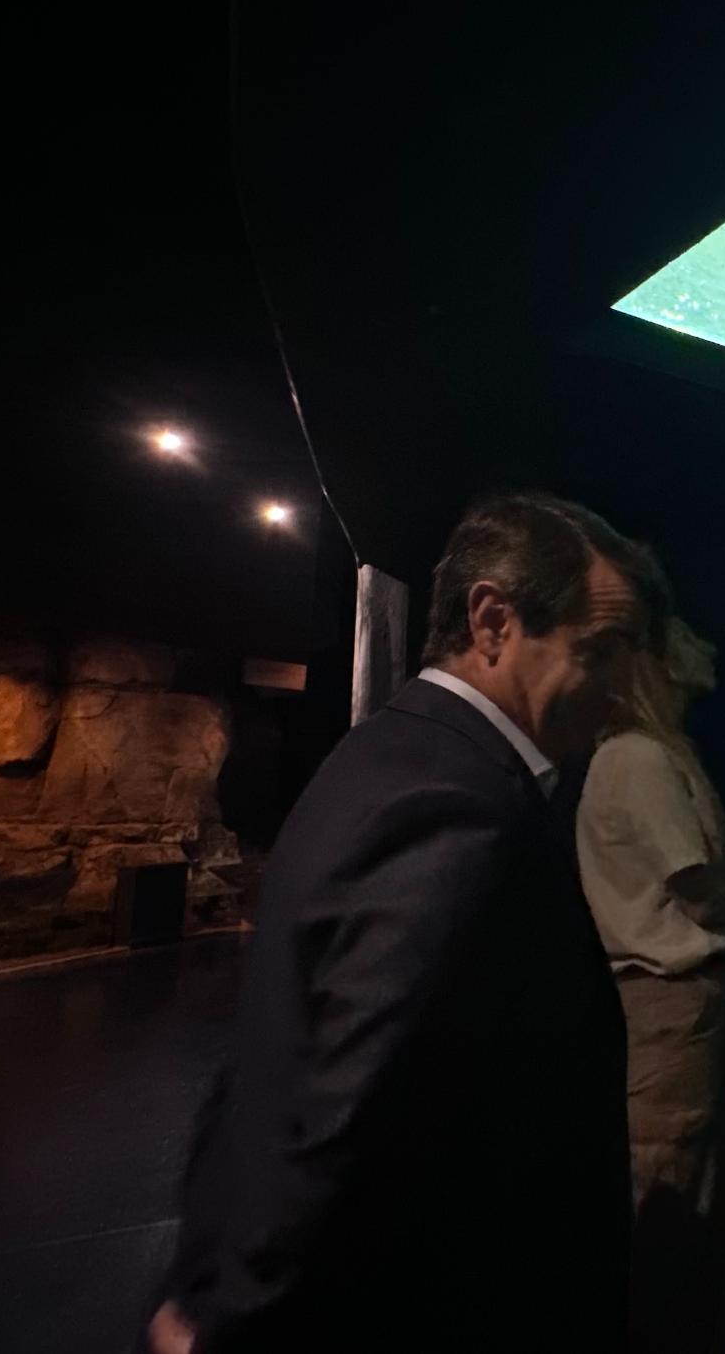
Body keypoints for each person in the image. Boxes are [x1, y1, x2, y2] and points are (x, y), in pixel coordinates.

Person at [147, 493, 650, 1354]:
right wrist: (236, 1321)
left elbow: (268, 1062)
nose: (617, 692)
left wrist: (205, 1279)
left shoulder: (387, 754)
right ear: (492, 621)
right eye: (597, 651)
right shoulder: (463, 811)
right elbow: (348, 1110)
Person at [577, 607, 725, 1353]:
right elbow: (697, 885)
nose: (708, 645)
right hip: (668, 1012)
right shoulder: (640, 758)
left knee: (698, 1195)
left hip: (684, 1009)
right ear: (659, 659)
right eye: (688, 636)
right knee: (674, 1203)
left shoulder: (651, 753)